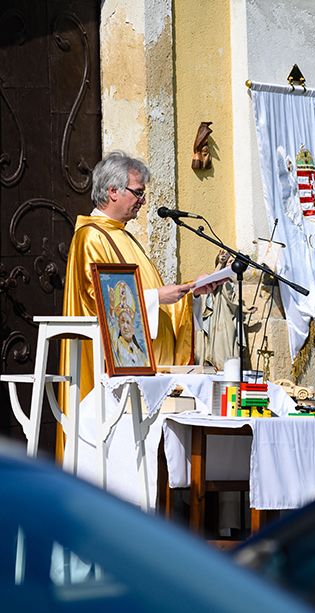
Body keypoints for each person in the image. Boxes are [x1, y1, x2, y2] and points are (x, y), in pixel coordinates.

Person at [58, 151, 223, 459]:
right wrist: (158, 297)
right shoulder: (91, 238)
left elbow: (151, 297)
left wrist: (191, 292)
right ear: (112, 191)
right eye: (138, 192)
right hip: (114, 373)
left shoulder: (126, 239)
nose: (143, 201)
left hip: (147, 374)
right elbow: (102, 302)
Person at [107, 280, 149, 367]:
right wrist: (111, 308)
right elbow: (110, 329)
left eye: (128, 322)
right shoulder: (117, 344)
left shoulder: (141, 354)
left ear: (133, 328)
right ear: (119, 325)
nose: (125, 326)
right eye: (122, 322)